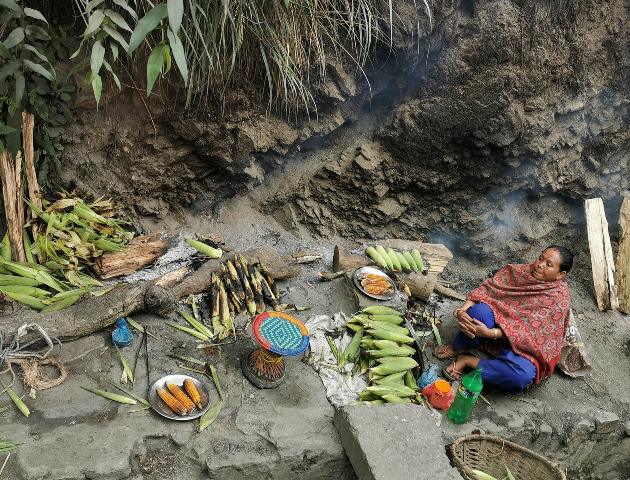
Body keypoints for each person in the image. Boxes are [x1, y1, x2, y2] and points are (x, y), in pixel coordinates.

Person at [435, 246, 573, 394]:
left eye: (549, 265)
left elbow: (532, 334)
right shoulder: (518, 272)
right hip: (492, 329)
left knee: (520, 376)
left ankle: (468, 360)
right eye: (541, 258)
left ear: (560, 274)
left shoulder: (558, 300)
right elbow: (486, 291)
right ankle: (460, 347)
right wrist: (462, 311)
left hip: (523, 349)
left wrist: (489, 333)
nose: (540, 265)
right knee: (478, 312)